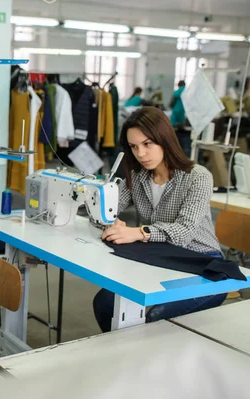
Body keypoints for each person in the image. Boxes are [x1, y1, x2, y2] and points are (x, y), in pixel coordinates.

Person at [93, 106, 226, 333]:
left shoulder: (198, 177)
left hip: (203, 264)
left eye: (147, 144)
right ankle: (124, 357)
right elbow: (108, 208)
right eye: (134, 147)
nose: (141, 154)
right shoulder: (138, 176)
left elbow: (184, 231)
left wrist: (138, 232)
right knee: (105, 304)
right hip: (159, 257)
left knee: (156, 317)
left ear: (164, 140)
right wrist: (110, 221)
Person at [170, 80, 190, 156]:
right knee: (181, 124)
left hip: (178, 109)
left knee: (174, 127)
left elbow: (175, 95)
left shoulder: (181, 89)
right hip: (183, 110)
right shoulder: (187, 90)